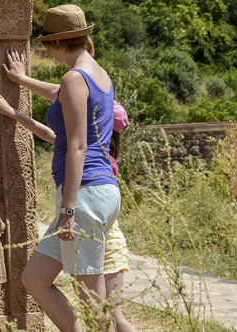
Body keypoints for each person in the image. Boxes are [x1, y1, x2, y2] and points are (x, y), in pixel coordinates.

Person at [0, 4, 120, 332]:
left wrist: (68, 210)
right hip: (98, 192)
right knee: (35, 279)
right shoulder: (95, 73)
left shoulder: (75, 77)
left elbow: (77, 146)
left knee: (91, 299)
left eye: (47, 44)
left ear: (57, 44)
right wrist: (21, 81)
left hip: (84, 195)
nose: (46, 49)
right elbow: (60, 96)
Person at [103, 101, 138, 332]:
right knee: (113, 317)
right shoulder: (110, 158)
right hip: (111, 243)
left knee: (113, 318)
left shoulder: (98, 159)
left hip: (106, 244)